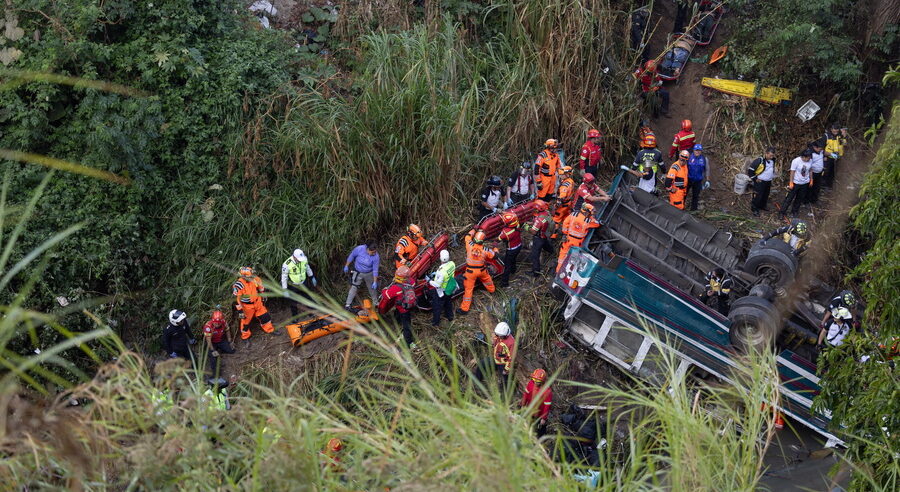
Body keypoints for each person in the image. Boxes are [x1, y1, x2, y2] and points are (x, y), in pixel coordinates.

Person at [458, 230, 498, 314]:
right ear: (483, 241)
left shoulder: (469, 244)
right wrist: (495, 248)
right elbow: (495, 256)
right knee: (487, 280)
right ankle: (492, 290)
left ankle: (464, 309)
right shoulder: (486, 250)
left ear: (475, 239)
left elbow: (467, 236)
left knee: (468, 289)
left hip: (470, 272)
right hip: (481, 270)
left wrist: (473, 230)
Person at [378, 266, 417, 349]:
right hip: (409, 305)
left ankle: (409, 343)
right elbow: (414, 283)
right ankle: (398, 321)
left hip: (403, 309)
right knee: (399, 314)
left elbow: (387, 295)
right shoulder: (411, 282)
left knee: (407, 326)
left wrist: (384, 289)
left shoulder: (396, 288)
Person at [232, 267, 275, 340]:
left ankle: (269, 329)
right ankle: (245, 336)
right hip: (247, 306)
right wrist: (240, 311)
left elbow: (261, 288)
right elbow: (237, 299)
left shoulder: (256, 279)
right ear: (244, 276)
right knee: (245, 321)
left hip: (257, 302)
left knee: (264, 316)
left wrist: (263, 296)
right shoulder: (239, 285)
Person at [557, 203, 600, 272]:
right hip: (577, 243)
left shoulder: (573, 215)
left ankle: (558, 272)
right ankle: (568, 273)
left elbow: (565, 223)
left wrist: (565, 233)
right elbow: (597, 224)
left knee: (562, 256)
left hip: (568, 239)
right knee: (573, 259)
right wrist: (593, 216)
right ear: (586, 212)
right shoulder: (588, 220)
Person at [343, 242, 380, 311]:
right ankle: (347, 304)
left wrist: (375, 281)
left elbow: (375, 269)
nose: (374, 253)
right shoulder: (359, 249)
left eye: (375, 252)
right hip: (358, 272)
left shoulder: (376, 256)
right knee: (354, 287)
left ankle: (376, 303)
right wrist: (346, 265)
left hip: (369, 273)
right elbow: (352, 256)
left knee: (372, 289)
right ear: (368, 249)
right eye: (372, 252)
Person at [280, 248, 317, 317]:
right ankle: (295, 317)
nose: (300, 261)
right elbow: (284, 277)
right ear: (294, 257)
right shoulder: (287, 264)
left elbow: (307, 268)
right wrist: (284, 289)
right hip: (294, 285)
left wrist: (312, 277)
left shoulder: (304, 259)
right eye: (298, 259)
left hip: (303, 283)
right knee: (293, 302)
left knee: (307, 298)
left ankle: (311, 313)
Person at [779, 149, 813, 219]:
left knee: (799, 198)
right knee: (789, 198)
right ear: (803, 157)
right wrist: (791, 182)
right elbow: (792, 172)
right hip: (796, 182)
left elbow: (810, 170)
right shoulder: (796, 161)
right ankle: (782, 212)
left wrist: (811, 179)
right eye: (806, 158)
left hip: (805, 183)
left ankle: (794, 211)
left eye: (809, 158)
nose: (808, 159)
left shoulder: (810, 160)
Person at [427, 250, 456, 327]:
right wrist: (436, 274)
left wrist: (429, 281)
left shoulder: (441, 272)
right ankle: (450, 316)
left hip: (442, 291)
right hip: (449, 288)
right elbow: (447, 272)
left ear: (440, 258)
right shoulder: (452, 264)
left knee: (437, 306)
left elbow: (437, 284)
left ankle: (435, 323)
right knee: (448, 302)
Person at [203, 308, 235, 376]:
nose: (217, 324)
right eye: (215, 323)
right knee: (213, 358)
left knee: (232, 350)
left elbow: (227, 330)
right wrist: (212, 350)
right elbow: (208, 340)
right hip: (212, 343)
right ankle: (215, 375)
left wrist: (230, 341)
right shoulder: (208, 326)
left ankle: (220, 351)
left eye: (218, 323)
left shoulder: (224, 322)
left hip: (220, 340)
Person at [521, 368, 553, 436]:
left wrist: (543, 418)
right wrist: (523, 405)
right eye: (534, 379)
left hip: (540, 414)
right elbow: (525, 394)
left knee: (540, 428)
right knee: (528, 424)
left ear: (543, 380)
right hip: (530, 410)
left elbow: (547, 406)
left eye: (537, 380)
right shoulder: (530, 384)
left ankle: (541, 439)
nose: (535, 382)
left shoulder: (547, 391)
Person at [525, 199, 553, 277]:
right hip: (544, 235)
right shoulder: (546, 213)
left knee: (535, 255)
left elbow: (533, 231)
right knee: (547, 245)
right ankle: (552, 252)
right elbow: (541, 222)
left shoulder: (539, 219)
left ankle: (535, 272)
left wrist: (527, 227)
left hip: (539, 238)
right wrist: (532, 223)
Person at [747, 148, 776, 216]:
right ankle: (754, 208)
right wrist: (755, 178)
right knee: (758, 195)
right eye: (770, 155)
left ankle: (762, 206)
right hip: (760, 181)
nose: (771, 157)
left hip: (768, 181)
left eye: (773, 156)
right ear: (766, 153)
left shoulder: (773, 160)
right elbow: (750, 170)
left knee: (765, 194)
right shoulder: (759, 160)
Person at [497, 212, 523, 287]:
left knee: (507, 265)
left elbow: (499, 239)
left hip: (511, 249)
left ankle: (504, 282)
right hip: (519, 245)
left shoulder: (506, 232)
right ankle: (513, 270)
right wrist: (503, 213)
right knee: (513, 259)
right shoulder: (517, 224)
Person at [551, 166, 576, 238]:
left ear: (567, 174)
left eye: (562, 174)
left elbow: (561, 199)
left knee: (556, 220)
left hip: (562, 206)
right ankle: (567, 233)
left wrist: (555, 208)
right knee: (566, 218)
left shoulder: (564, 186)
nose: (560, 176)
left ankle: (553, 235)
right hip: (568, 204)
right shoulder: (570, 181)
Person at [823, 123, 848, 188]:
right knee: (826, 172)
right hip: (828, 157)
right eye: (834, 130)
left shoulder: (840, 136)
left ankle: (831, 186)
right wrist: (824, 156)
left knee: (834, 172)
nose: (835, 132)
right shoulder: (827, 136)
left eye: (837, 130)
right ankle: (824, 186)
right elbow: (822, 147)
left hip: (838, 157)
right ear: (831, 129)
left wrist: (844, 136)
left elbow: (844, 144)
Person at [492, 322, 516, 389]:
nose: (499, 337)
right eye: (498, 335)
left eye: (501, 336)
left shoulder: (511, 342)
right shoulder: (498, 335)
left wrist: (506, 369)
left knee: (504, 380)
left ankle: (504, 394)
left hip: (503, 363)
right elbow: (495, 344)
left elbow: (511, 358)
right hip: (496, 359)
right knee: (482, 364)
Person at [686, 144, 710, 211]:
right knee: (684, 193)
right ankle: (681, 207)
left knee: (695, 196)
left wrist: (707, 180)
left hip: (698, 181)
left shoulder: (704, 159)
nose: (697, 152)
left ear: (701, 151)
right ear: (693, 150)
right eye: (696, 150)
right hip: (689, 179)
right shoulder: (689, 157)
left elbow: (707, 170)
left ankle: (693, 210)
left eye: (699, 150)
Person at [807, 140, 825, 205]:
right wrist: (811, 178)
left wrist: (831, 154)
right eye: (819, 149)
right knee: (810, 187)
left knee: (817, 187)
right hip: (812, 173)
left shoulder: (821, 151)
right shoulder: (810, 154)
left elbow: (825, 152)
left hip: (819, 173)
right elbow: (809, 166)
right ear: (815, 147)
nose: (820, 150)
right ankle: (807, 201)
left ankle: (814, 200)